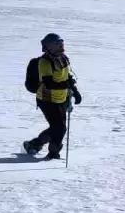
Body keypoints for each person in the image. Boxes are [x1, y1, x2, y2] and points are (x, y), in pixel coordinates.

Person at [23, 33, 82, 161]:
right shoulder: (45, 62)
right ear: (49, 47)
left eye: (62, 44)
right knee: (59, 128)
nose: (61, 46)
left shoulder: (63, 58)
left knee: (58, 128)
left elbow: (67, 78)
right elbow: (49, 83)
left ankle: (34, 144)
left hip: (61, 98)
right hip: (47, 99)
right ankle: (53, 154)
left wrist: (75, 91)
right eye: (57, 44)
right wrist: (67, 86)